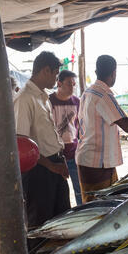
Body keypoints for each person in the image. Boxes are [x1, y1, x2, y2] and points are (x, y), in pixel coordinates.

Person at [75, 55, 128, 202]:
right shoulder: (103, 95)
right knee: (99, 209)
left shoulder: (88, 92)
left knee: (101, 205)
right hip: (96, 163)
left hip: (93, 160)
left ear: (96, 71)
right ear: (113, 73)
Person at [14, 51, 70, 234]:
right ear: (46, 70)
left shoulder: (42, 97)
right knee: (40, 225)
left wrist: (58, 163)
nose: (56, 79)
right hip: (39, 171)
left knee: (61, 221)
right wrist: (50, 166)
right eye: (55, 74)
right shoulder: (25, 98)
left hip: (54, 165)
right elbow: (20, 144)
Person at [49, 70, 82, 205]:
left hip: (73, 153)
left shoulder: (77, 102)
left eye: (74, 84)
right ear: (59, 83)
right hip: (55, 155)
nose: (72, 87)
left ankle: (82, 215)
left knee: (79, 190)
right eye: (69, 84)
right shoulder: (49, 101)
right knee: (58, 193)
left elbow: (79, 125)